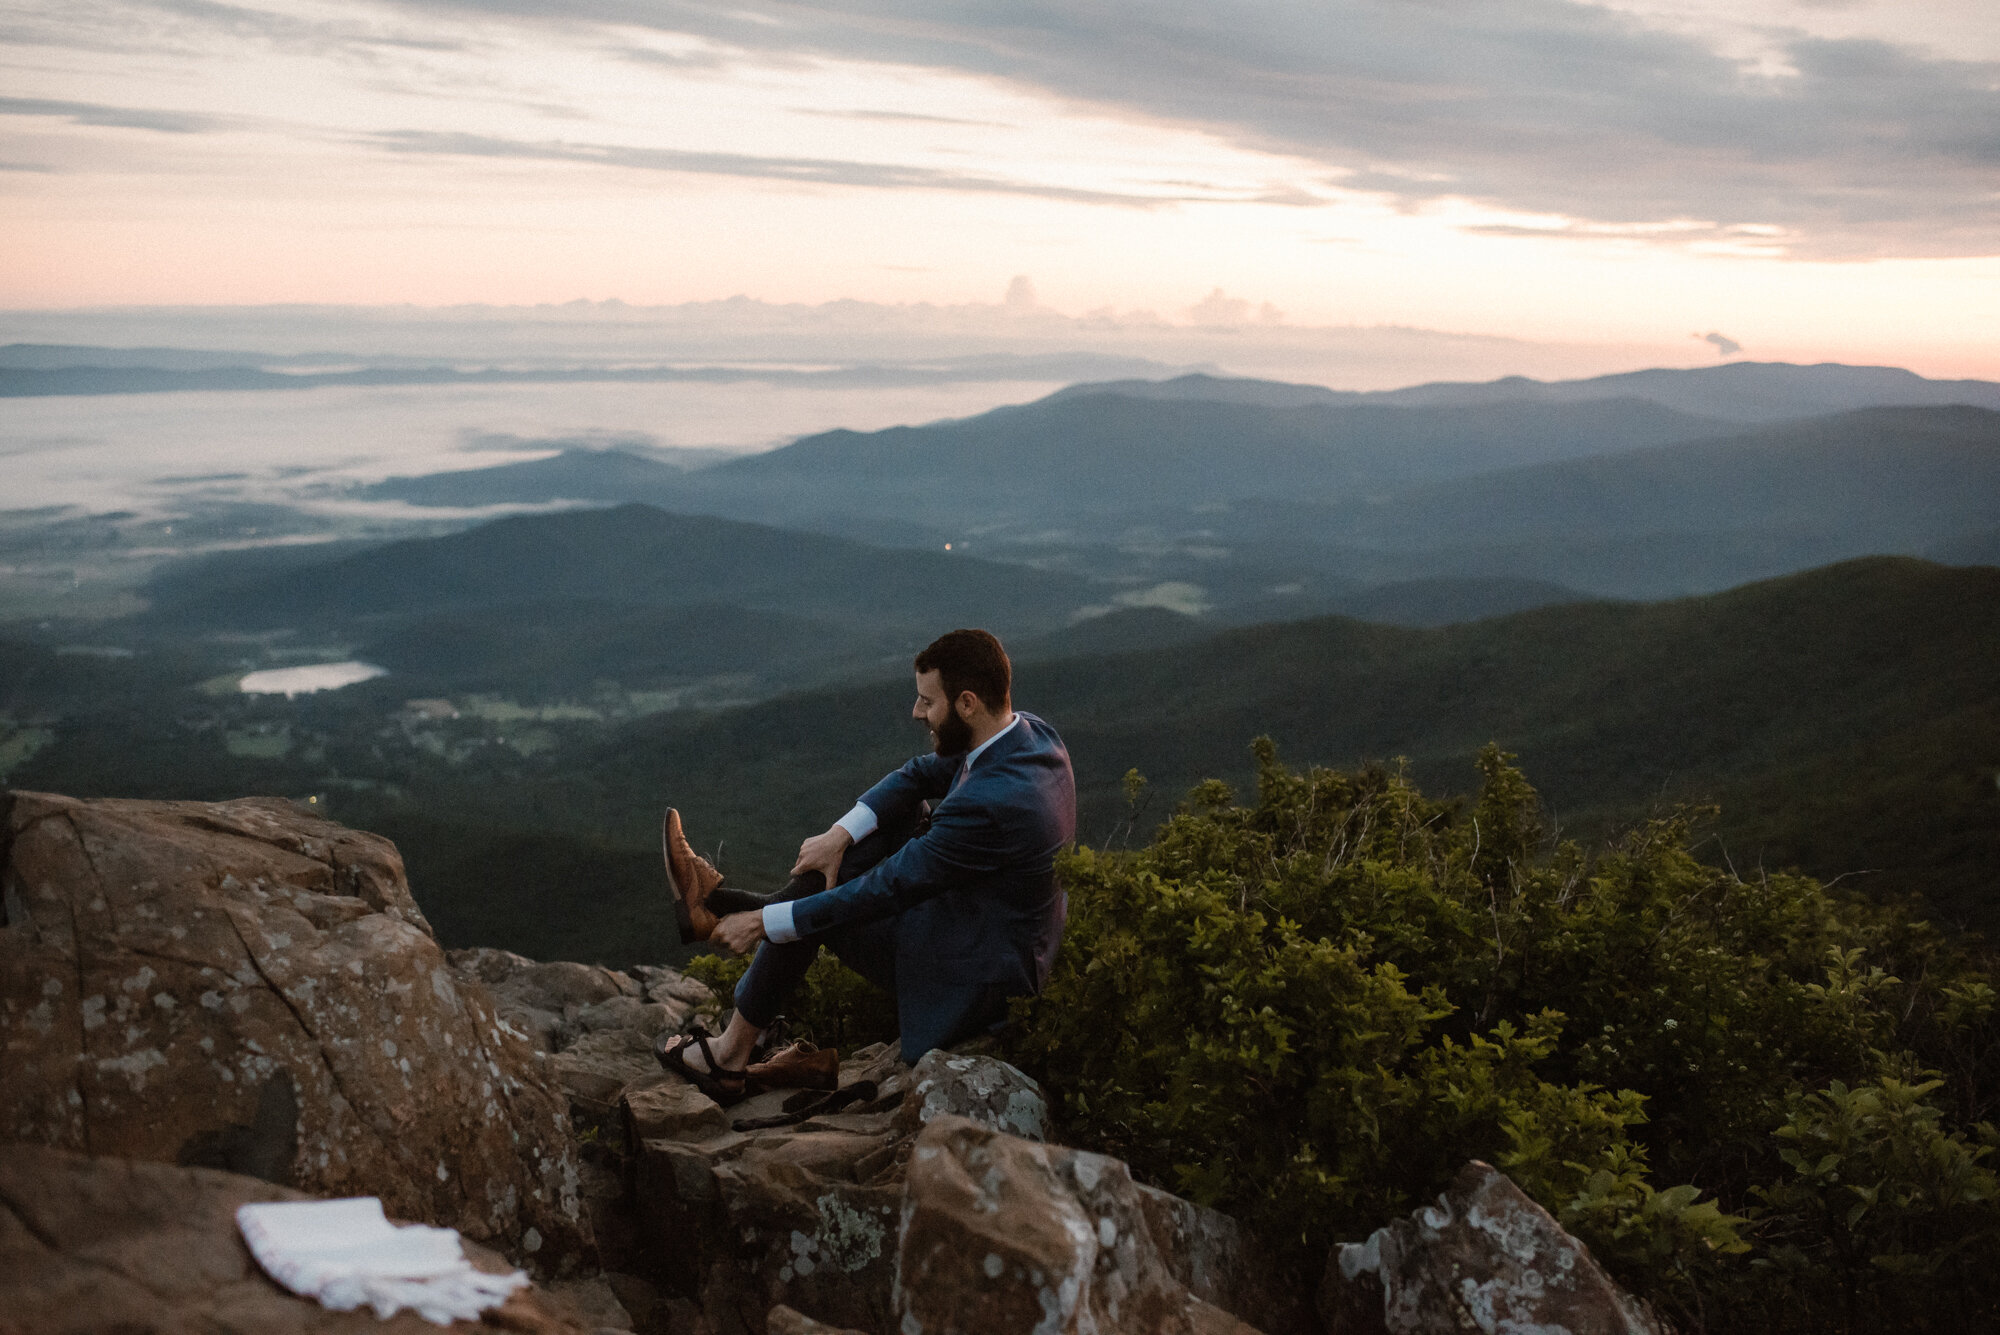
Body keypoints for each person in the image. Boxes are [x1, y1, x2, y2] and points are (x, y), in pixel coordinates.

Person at [657, 628, 1075, 1093]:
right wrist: (840, 834)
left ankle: (728, 1052)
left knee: (826, 896)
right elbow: (918, 774)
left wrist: (761, 924)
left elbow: (885, 890)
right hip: (984, 925)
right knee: (884, 824)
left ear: (967, 703)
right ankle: (715, 911)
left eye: (927, 701)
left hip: (979, 978)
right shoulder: (1025, 734)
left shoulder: (995, 805)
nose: (917, 712)